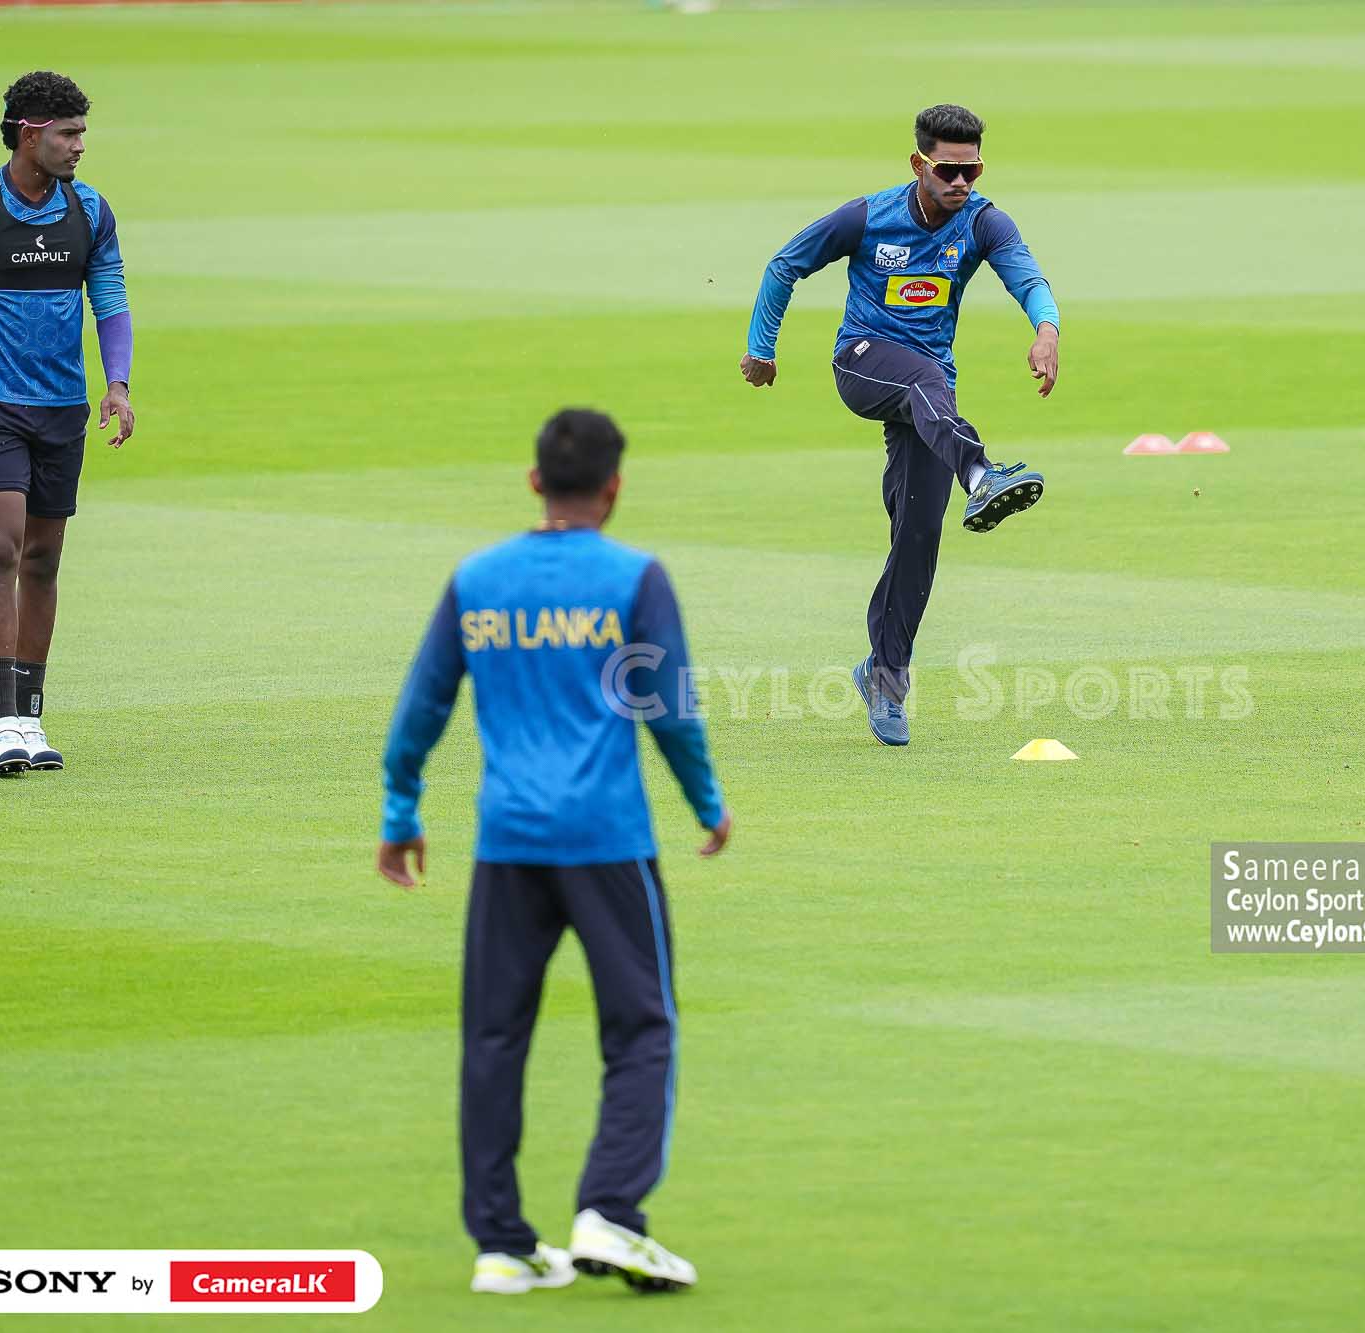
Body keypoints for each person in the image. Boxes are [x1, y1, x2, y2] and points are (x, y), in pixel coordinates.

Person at [378, 409, 732, 1294]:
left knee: (495, 1036)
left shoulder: (478, 578)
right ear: (615, 487)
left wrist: (400, 811)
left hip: (508, 841)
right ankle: (611, 1212)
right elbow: (670, 710)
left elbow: (422, 705)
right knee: (641, 1026)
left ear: (534, 481)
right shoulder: (634, 577)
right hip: (607, 840)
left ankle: (502, 1243)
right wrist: (708, 804)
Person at [740, 103, 1060, 746]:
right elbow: (784, 265)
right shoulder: (868, 216)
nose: (961, 182)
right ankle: (981, 475)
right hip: (862, 362)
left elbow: (1028, 277)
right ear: (919, 164)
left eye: (972, 170)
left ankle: (885, 679)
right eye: (948, 170)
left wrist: (1046, 329)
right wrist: (761, 348)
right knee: (923, 382)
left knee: (917, 538)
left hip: (931, 401)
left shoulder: (984, 222)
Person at [0, 71, 134, 777]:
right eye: (67, 133)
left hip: (62, 411)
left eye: (81, 133)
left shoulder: (90, 210)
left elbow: (111, 300)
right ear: (29, 134)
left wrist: (117, 384)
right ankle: (0, 725)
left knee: (44, 560)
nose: (79, 145)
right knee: (1, 547)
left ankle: (30, 717)